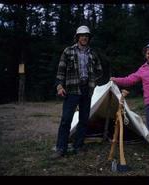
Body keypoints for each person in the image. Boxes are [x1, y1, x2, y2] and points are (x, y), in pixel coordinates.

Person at [51, 25, 103, 159]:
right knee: (66, 120)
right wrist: (59, 86)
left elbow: (99, 70)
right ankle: (60, 148)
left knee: (84, 120)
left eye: (86, 35)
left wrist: (92, 81)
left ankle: (78, 146)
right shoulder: (68, 51)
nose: (84, 37)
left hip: (87, 90)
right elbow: (60, 71)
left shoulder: (92, 53)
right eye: (82, 35)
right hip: (72, 89)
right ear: (77, 37)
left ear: (88, 38)